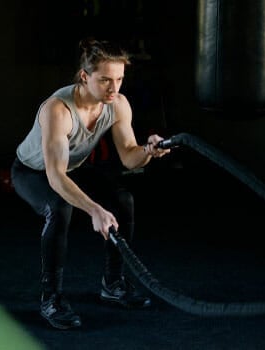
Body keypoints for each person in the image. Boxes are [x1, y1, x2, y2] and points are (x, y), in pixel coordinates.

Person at [11, 38, 170, 330]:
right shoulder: (58, 109)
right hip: (32, 172)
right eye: (106, 80)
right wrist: (94, 210)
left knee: (123, 201)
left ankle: (113, 283)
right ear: (85, 77)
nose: (114, 88)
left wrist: (148, 151)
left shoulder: (118, 104)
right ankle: (51, 299)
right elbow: (55, 176)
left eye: (120, 79)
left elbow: (129, 158)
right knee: (59, 208)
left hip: (73, 168)